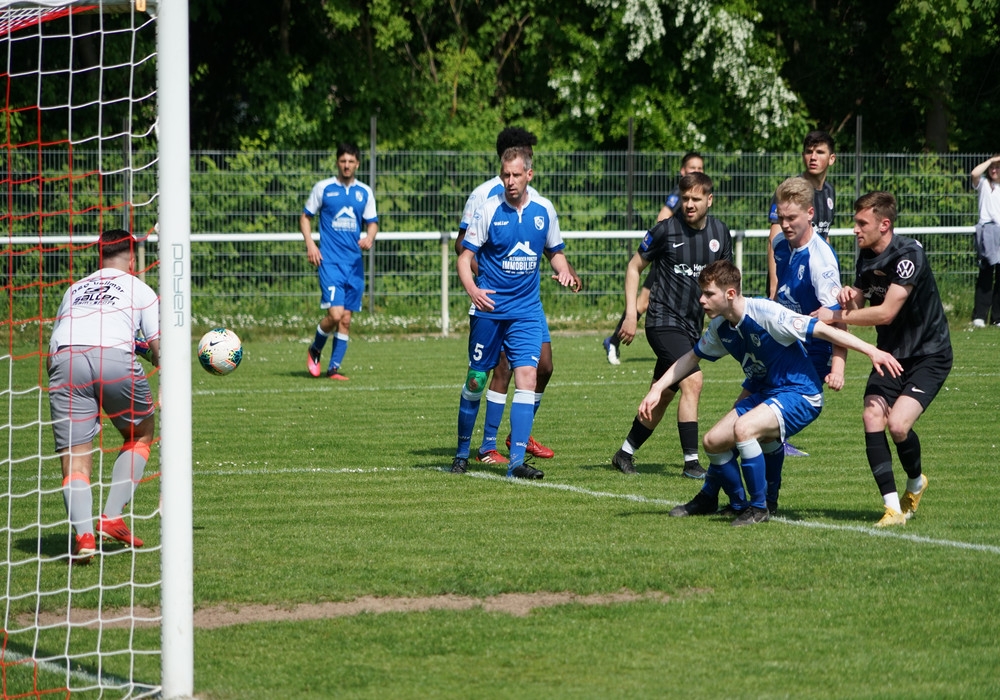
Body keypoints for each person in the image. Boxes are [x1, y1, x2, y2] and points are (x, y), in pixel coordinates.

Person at [651, 261, 901, 526]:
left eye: (708, 293)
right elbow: (691, 358)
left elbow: (823, 329)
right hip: (765, 391)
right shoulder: (720, 327)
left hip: (801, 394)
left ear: (730, 294)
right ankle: (737, 504)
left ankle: (759, 508)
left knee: (745, 429)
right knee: (712, 441)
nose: (701, 300)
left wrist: (872, 351)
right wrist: (657, 388)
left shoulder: (766, 313)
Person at [814, 192, 952, 527]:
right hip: (890, 354)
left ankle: (915, 483)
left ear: (884, 224)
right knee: (872, 415)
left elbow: (887, 313)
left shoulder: (908, 255)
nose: (855, 230)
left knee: (899, 426)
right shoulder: (865, 255)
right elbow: (861, 304)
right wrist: (850, 297)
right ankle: (892, 509)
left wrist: (833, 316)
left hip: (929, 355)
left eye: (862, 223)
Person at [453, 128, 580, 467]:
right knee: (480, 377)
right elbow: (462, 251)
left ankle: (516, 460)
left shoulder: (543, 207)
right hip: (491, 308)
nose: (510, 180)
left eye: (517, 173)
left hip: (526, 309)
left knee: (532, 372)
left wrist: (565, 271)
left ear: (528, 172)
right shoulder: (485, 202)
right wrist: (476, 287)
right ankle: (470, 450)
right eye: (506, 174)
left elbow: (554, 251)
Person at [47, 228, 160, 562]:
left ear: (100, 256)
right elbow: (159, 351)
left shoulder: (74, 288)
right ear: (132, 258)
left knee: (75, 455)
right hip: (113, 360)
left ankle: (84, 537)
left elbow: (57, 343)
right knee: (140, 433)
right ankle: (111, 517)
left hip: (65, 361)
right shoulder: (140, 289)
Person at [611, 172, 732, 480]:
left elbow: (727, 281)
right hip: (662, 322)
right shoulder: (666, 230)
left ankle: (624, 453)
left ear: (709, 200)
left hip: (691, 328)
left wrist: (728, 318)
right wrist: (630, 314)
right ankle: (691, 463)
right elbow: (634, 267)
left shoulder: (720, 232)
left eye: (696, 199)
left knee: (663, 393)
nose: (689, 204)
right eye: (685, 198)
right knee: (693, 381)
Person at [763, 177, 849, 511]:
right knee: (743, 420)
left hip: (811, 354)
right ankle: (745, 498)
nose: (784, 225)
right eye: (781, 218)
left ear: (810, 214)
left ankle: (760, 501)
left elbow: (838, 315)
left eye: (791, 218)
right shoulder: (781, 246)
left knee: (758, 425)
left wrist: (838, 367)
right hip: (783, 345)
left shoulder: (820, 259)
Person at [603, 152, 705, 365]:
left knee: (643, 303)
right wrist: (672, 244)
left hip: (679, 261)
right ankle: (613, 341)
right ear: (682, 171)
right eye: (692, 168)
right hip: (669, 259)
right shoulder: (679, 193)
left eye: (700, 168)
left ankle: (613, 341)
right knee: (643, 303)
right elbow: (662, 217)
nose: (696, 171)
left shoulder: (699, 193)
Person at [301, 142, 379, 381]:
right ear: (337, 162)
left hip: (354, 265)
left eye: (351, 161)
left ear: (357, 164)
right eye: (343, 161)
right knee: (335, 315)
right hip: (330, 262)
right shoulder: (323, 188)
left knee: (345, 319)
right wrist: (311, 244)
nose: (347, 165)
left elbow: (372, 222)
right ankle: (315, 349)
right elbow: (305, 217)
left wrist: (370, 237)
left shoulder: (364, 192)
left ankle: (333, 369)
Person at [766, 131, 837, 299]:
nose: (813, 157)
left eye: (820, 152)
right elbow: (774, 239)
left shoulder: (830, 191)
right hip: (789, 280)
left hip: (817, 280)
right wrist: (774, 288)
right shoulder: (790, 191)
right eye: (809, 152)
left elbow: (824, 234)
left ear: (831, 158)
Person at [971, 154, 1000, 327]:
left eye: (997, 167)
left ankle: (997, 317)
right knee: (986, 274)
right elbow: (974, 174)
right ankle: (979, 316)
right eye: (992, 168)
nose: (994, 170)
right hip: (987, 230)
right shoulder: (983, 183)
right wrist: (991, 160)